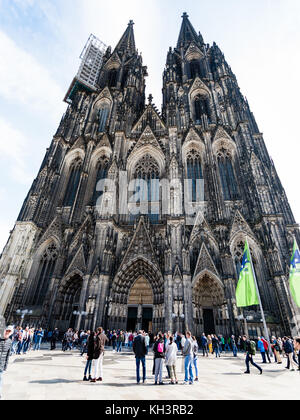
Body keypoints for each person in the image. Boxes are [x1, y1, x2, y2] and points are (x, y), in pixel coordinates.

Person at [0, 326, 13, 400]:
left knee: (0, 378)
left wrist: (5, 365)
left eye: (9, 331)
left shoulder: (9, 341)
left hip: (1, 363)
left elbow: (8, 355)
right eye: (6, 331)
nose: (7, 332)